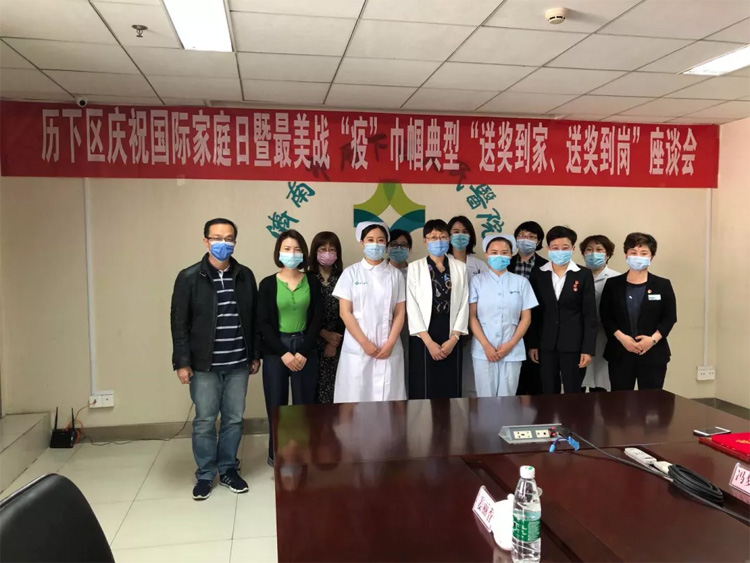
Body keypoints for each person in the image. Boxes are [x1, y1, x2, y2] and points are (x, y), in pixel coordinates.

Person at [170, 218, 260, 500]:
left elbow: (254, 318)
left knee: (233, 419)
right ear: (206, 241)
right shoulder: (189, 277)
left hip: (238, 362)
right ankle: (206, 474)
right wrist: (182, 362)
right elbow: (179, 323)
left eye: (229, 238)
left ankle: (228, 468)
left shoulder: (245, 275)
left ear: (235, 242)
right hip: (204, 365)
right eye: (217, 238)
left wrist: (254, 355)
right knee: (205, 420)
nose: (223, 243)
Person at [257, 230, 323, 466]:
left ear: (303, 253)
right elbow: (263, 323)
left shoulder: (312, 281)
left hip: (305, 346)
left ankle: (302, 453)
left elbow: (317, 318)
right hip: (277, 349)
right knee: (276, 404)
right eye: (287, 249)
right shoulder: (267, 284)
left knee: (304, 404)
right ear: (279, 252)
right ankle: (277, 454)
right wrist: (283, 353)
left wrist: (303, 351)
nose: (292, 253)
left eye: (297, 249)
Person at [333, 222, 407, 403]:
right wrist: (364, 343)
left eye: (380, 240)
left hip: (389, 346)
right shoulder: (351, 273)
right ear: (362, 242)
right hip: (358, 347)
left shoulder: (395, 275)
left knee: (388, 400)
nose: (375, 244)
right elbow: (345, 312)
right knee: (356, 398)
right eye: (370, 240)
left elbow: (400, 313)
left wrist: (390, 343)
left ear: (386, 243)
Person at [600, 233, 677, 391]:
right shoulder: (613, 284)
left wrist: (652, 340)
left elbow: (669, 317)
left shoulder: (662, 285)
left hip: (653, 353)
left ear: (651, 257)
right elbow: (606, 316)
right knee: (619, 401)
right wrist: (622, 338)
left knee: (651, 402)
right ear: (626, 255)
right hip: (620, 352)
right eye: (633, 252)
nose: (638, 257)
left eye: (643, 253)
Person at [527, 225, 596, 394]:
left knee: (573, 391)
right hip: (546, 344)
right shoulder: (538, 274)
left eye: (565, 248)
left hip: (574, 345)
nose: (560, 251)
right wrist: (533, 344)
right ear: (548, 248)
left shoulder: (583, 274)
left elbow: (589, 315)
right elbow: (534, 313)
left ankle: (573, 414)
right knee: (548, 390)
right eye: (555, 247)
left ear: (573, 248)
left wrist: (587, 349)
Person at [407, 219, 469, 399]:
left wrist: (454, 338)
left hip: (451, 333)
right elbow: (412, 305)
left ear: (449, 239)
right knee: (424, 385)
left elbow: (464, 302)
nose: (438, 241)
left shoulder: (459, 267)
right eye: (433, 237)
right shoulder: (415, 267)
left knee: (450, 384)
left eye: (443, 236)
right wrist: (428, 342)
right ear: (425, 241)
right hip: (424, 334)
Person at [469, 234, 538, 397]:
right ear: (486, 254)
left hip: (512, 349)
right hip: (483, 350)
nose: (499, 256)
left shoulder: (521, 282)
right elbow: (472, 317)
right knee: (485, 398)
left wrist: (511, 344)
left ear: (511, 255)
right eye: (494, 252)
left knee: (508, 397)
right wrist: (486, 345)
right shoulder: (477, 281)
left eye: (504, 252)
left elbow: (526, 318)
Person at [448, 216, 489, 398]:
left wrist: (473, 327)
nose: (460, 236)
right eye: (455, 232)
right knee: (451, 376)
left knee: (472, 377)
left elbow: (487, 298)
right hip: (449, 329)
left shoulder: (480, 265)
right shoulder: (442, 264)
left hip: (476, 327)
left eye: (465, 232)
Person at [509, 221, 548, 396]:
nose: (526, 240)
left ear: (538, 242)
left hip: (536, 330)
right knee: (512, 384)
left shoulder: (546, 267)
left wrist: (535, 342)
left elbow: (546, 307)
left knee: (535, 382)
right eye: (522, 236)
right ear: (515, 238)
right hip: (508, 328)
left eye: (532, 237)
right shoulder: (505, 263)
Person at [580, 235, 621, 392]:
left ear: (608, 255)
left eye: (599, 250)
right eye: (589, 250)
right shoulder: (576, 276)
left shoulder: (617, 279)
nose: (593, 254)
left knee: (602, 384)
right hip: (580, 336)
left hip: (606, 335)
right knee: (579, 383)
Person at [307, 232, 345, 404]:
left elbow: (348, 311)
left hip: (338, 341)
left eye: (332, 249)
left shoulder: (345, 277)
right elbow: (305, 312)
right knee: (311, 391)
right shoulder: (307, 278)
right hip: (312, 340)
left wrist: (333, 340)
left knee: (335, 390)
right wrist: (323, 334)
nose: (327, 253)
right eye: (323, 249)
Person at [388, 228, 413, 386]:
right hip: (387, 327)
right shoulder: (381, 272)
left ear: (409, 249)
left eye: (403, 245)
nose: (399, 248)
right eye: (394, 244)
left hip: (411, 328)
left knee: (409, 369)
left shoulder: (416, 272)